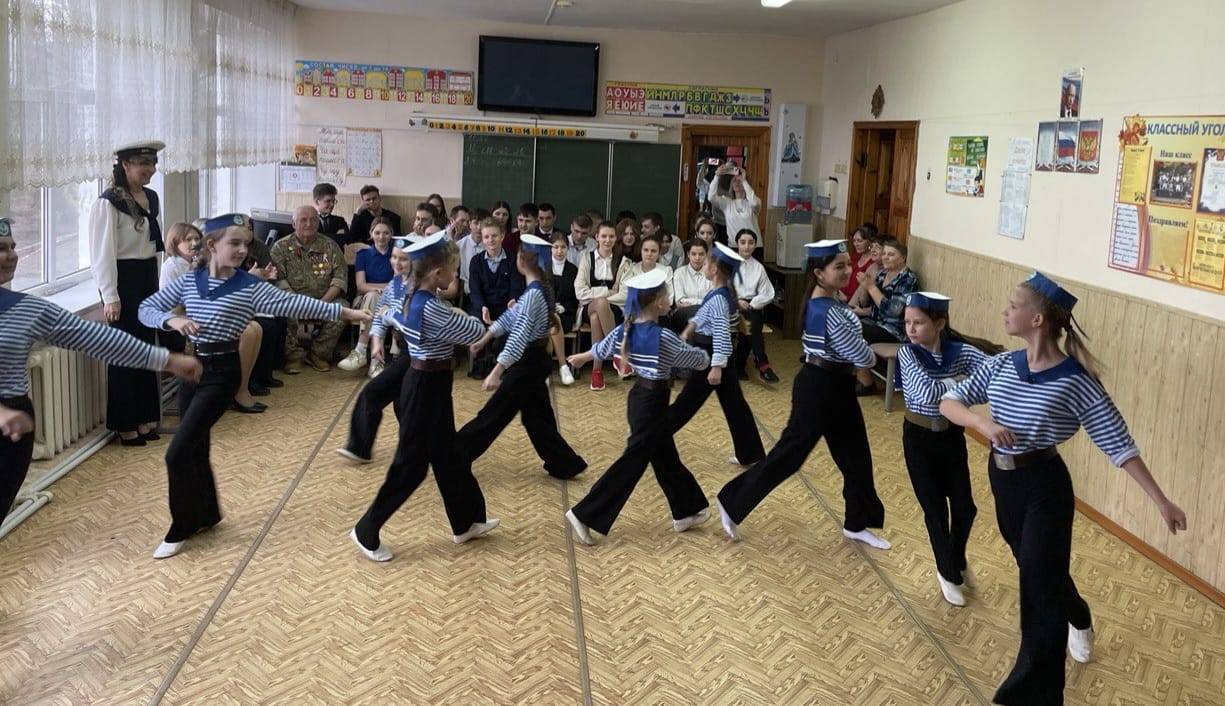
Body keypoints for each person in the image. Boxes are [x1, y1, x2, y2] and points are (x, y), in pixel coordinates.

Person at [939, 272, 1186, 705]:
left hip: (1045, 487)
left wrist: (1161, 501)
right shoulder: (1001, 364)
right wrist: (982, 423)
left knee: (1036, 584)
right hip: (1003, 480)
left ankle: (1034, 693)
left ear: (1037, 320)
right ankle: (1079, 614)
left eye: (1014, 305)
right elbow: (949, 401)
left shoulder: (1075, 380)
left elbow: (1118, 442)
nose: (1005, 311)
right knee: (1035, 568)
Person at [140, 215, 369, 558]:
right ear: (212, 245)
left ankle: (181, 525)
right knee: (196, 446)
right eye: (234, 243)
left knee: (177, 452)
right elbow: (146, 309)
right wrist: (171, 318)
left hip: (223, 373)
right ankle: (208, 514)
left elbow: (296, 303)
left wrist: (347, 314)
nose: (242, 250)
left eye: (245, 244)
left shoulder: (249, 285)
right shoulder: (189, 281)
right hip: (192, 368)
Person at [0, 216, 201, 518]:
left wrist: (167, 360)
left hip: (12, 432)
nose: (12, 255)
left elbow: (96, 338)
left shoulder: (27, 309)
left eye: (13, 246)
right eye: (1, 248)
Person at [716, 240, 889, 550]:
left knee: (856, 457)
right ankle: (731, 502)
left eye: (848, 264)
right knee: (789, 456)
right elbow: (864, 358)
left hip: (837, 385)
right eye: (839, 266)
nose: (847, 271)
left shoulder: (825, 302)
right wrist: (864, 347)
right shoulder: (832, 312)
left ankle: (857, 523)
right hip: (820, 387)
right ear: (819, 273)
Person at [351, 234, 498, 562]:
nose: (455, 276)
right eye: (453, 270)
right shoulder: (431, 308)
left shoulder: (412, 296)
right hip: (424, 387)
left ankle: (466, 522)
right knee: (411, 467)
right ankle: (366, 529)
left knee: (449, 456)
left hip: (432, 383)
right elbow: (476, 333)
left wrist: (388, 320)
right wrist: (474, 319)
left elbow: (388, 313)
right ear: (436, 273)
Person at [564, 269, 712, 545]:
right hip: (653, 402)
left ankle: (687, 510)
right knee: (632, 462)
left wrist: (583, 357)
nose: (669, 298)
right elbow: (696, 360)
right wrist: (706, 352)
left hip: (639, 399)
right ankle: (584, 514)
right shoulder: (663, 336)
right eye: (666, 295)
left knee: (664, 454)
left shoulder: (627, 328)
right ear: (657, 302)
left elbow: (603, 348)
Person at [460, 234, 588, 478]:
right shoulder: (537, 290)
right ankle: (565, 463)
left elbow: (518, 336)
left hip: (528, 364)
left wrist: (496, 372)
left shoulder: (533, 294)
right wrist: (486, 338)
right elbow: (511, 317)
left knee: (493, 415)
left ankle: (454, 455)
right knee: (537, 418)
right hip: (536, 362)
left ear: (521, 261)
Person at [896, 292, 993, 607]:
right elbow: (925, 393)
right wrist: (960, 383)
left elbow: (991, 378)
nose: (911, 329)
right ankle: (947, 573)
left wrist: (955, 384)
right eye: (907, 322)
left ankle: (956, 558)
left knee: (965, 507)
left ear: (939, 324)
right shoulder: (908, 354)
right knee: (935, 510)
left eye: (919, 322)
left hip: (952, 436)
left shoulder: (960, 351)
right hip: (919, 438)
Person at [89, 140, 167, 446]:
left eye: (153, 164)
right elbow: (102, 254)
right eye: (143, 164)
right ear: (125, 165)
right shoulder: (109, 202)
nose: (150, 170)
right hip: (123, 281)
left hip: (147, 277)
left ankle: (145, 416)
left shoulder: (151, 198)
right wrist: (110, 295)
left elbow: (152, 248)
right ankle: (124, 423)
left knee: (146, 348)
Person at [672, 242, 766, 466]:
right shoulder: (721, 294)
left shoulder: (718, 298)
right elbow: (704, 313)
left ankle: (650, 440)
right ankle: (750, 453)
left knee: (684, 405)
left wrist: (716, 367)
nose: (703, 266)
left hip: (711, 359)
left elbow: (722, 334)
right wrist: (688, 330)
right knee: (735, 406)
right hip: (720, 358)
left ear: (714, 269)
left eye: (706, 263)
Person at [336, 236, 414, 463]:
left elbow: (404, 320)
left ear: (415, 261)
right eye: (394, 258)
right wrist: (377, 341)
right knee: (401, 400)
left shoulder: (419, 286)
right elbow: (379, 315)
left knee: (375, 393)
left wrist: (390, 315)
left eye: (403, 259)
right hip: (406, 351)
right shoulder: (394, 284)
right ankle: (417, 444)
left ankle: (360, 448)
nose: (397, 263)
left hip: (418, 352)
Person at [269, 205, 350, 373]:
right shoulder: (280, 247)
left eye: (313, 220)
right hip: (292, 299)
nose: (309, 224)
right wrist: (298, 302)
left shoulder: (330, 246)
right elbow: (278, 280)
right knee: (281, 308)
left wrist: (321, 304)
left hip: (325, 299)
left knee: (342, 308)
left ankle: (318, 354)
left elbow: (340, 279)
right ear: (293, 224)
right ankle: (293, 356)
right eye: (303, 220)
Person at [851, 237, 918, 394]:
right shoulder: (883, 274)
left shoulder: (908, 279)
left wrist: (872, 288)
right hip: (877, 323)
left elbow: (893, 312)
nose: (885, 257)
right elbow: (869, 306)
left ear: (903, 258)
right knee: (846, 323)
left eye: (891, 254)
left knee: (853, 331)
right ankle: (856, 374)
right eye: (884, 254)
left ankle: (867, 383)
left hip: (895, 331)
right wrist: (864, 287)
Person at [467, 218, 525, 378]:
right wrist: (482, 307)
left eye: (494, 236)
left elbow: (516, 288)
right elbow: (475, 291)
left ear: (502, 236)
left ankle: (501, 363)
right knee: (475, 324)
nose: (490, 240)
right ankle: (480, 362)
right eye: (486, 237)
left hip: (505, 307)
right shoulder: (476, 261)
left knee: (513, 324)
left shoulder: (513, 260)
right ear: (482, 238)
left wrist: (512, 302)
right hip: (483, 307)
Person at [338, 217, 396, 372]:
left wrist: (378, 289)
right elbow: (361, 285)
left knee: (376, 299)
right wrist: (380, 289)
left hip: (392, 300)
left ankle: (361, 350)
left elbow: (398, 284)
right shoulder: (363, 255)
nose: (381, 237)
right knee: (373, 297)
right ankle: (376, 361)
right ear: (371, 233)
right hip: (364, 298)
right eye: (377, 233)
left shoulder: (396, 254)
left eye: (386, 233)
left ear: (391, 234)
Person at [573, 221, 625, 391]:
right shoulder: (586, 258)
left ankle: (597, 371)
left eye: (611, 236)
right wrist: (607, 292)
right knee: (599, 304)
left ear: (616, 238)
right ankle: (617, 351)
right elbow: (580, 291)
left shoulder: (623, 262)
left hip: (614, 309)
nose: (607, 240)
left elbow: (624, 294)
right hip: (588, 307)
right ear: (596, 237)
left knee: (597, 317)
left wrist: (601, 296)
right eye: (604, 236)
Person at [731, 229, 780, 383]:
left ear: (755, 245)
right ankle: (763, 364)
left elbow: (768, 292)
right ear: (737, 243)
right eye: (743, 242)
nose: (746, 246)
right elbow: (719, 288)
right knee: (752, 323)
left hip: (752, 305)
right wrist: (736, 301)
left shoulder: (759, 267)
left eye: (751, 243)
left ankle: (740, 365)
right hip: (731, 303)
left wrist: (753, 304)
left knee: (752, 322)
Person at [548, 234, 580, 385]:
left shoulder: (573, 270)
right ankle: (561, 366)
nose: (559, 251)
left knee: (553, 320)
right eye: (556, 247)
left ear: (568, 249)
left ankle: (558, 367)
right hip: (544, 313)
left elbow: (575, 298)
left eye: (563, 247)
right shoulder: (542, 267)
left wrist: (564, 307)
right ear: (550, 248)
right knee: (549, 320)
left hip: (565, 314)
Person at [708, 163, 760, 246]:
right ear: (731, 185)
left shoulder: (751, 202)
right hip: (734, 246)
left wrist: (744, 181)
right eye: (734, 180)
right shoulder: (727, 203)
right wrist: (717, 176)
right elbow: (711, 197)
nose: (737, 183)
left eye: (739, 180)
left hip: (753, 246)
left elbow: (755, 203)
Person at [670, 238, 713, 333]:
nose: (697, 258)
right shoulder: (679, 273)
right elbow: (680, 301)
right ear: (688, 255)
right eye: (694, 254)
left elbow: (712, 301)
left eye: (701, 254)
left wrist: (691, 301)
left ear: (706, 255)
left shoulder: (711, 274)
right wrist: (702, 302)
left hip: (706, 314)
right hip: (683, 315)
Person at [842, 223, 880, 301]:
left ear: (869, 241)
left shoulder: (873, 262)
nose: (856, 244)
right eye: (854, 241)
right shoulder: (855, 256)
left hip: (854, 303)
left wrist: (847, 298)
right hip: (841, 296)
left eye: (859, 241)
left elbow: (866, 292)